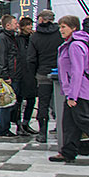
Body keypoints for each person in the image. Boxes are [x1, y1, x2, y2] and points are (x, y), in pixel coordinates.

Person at [49, 15, 89, 163]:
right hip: (76, 91)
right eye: (60, 27)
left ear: (73, 28)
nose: (60, 30)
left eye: (64, 27)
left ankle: (68, 152)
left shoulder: (75, 45)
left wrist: (73, 96)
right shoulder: (73, 43)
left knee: (85, 122)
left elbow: (77, 72)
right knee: (70, 124)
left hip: (79, 92)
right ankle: (68, 152)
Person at [28, 9, 61, 143]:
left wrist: (33, 73)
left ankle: (42, 133)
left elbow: (31, 58)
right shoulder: (60, 33)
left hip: (42, 73)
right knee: (60, 102)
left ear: (41, 19)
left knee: (43, 103)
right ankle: (61, 129)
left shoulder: (35, 36)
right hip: (60, 72)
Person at [0, 14, 21, 137]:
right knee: (6, 103)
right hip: (8, 76)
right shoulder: (3, 38)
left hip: (13, 73)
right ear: (8, 25)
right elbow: (1, 58)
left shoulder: (11, 37)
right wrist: (4, 76)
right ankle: (3, 128)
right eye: (15, 23)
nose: (17, 25)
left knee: (9, 103)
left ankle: (2, 127)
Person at [14, 17, 38, 135]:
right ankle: (19, 124)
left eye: (31, 24)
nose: (30, 27)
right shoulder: (18, 39)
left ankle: (26, 123)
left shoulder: (33, 38)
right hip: (21, 73)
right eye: (27, 25)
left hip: (31, 73)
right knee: (19, 100)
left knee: (31, 99)